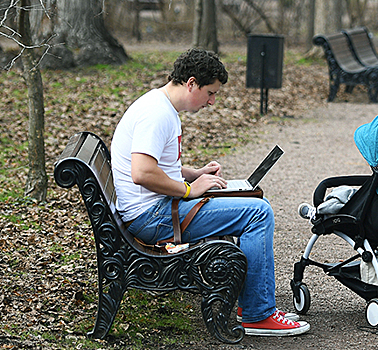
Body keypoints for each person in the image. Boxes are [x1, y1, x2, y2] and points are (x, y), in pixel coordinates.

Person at [110, 48, 310, 337]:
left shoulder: (161, 107)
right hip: (151, 217)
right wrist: (189, 189)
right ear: (191, 83)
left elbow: (156, 166)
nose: (212, 101)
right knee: (258, 212)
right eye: (210, 93)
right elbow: (141, 173)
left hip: (154, 209)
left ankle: (254, 306)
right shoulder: (156, 115)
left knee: (252, 201)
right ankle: (257, 314)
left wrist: (194, 173)